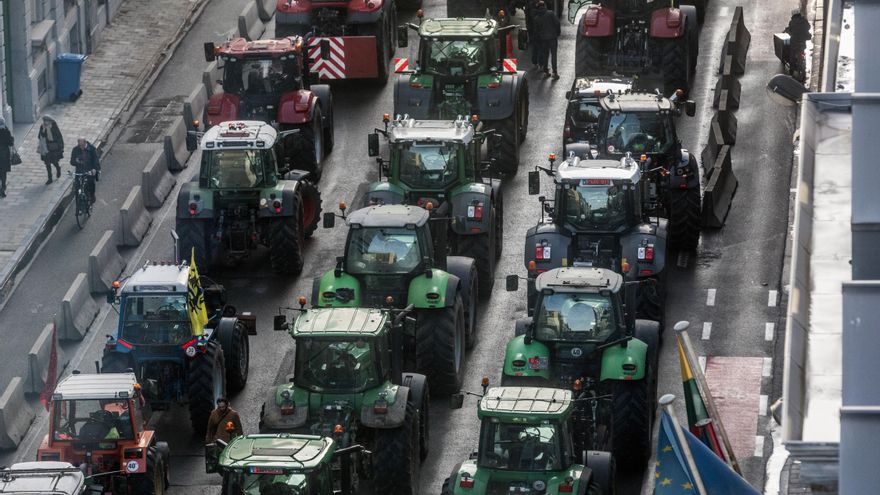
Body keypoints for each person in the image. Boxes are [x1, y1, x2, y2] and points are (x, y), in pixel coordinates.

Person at [532, 0, 561, 79]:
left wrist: (539, 38)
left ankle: (545, 72)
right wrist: (557, 33)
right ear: (545, 6)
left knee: (545, 55)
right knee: (553, 55)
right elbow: (557, 23)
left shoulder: (536, 18)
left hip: (543, 39)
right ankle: (554, 73)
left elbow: (536, 31)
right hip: (552, 38)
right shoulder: (550, 13)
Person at [70, 137, 100, 203]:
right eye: (79, 145)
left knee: (91, 183)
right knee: (77, 187)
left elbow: (96, 160)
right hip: (80, 171)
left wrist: (94, 169)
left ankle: (92, 195)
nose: (81, 147)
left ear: (85, 143)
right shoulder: (75, 149)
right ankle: (78, 205)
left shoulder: (92, 149)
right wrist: (76, 162)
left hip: (89, 170)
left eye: (82, 145)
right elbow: (72, 162)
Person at [38, 115, 64, 184]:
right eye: (44, 121)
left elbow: (59, 137)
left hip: (54, 147)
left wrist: (61, 147)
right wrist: (43, 130)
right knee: (47, 163)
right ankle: (50, 178)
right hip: (46, 147)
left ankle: (58, 168)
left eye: (46, 121)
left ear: (49, 121)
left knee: (54, 161)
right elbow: (39, 136)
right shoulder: (42, 126)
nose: (44, 122)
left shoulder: (54, 126)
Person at [0, 118, 13, 198]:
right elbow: (10, 143)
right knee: (3, 172)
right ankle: (3, 189)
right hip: (4, 154)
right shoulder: (6, 131)